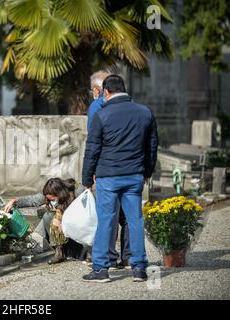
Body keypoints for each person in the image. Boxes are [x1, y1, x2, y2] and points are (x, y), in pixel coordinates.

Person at [82, 74, 158, 283]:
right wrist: (147, 172)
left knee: (106, 221)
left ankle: (101, 270)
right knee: (135, 221)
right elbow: (152, 146)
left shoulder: (102, 114)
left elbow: (92, 149)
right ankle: (139, 268)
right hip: (134, 175)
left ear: (106, 92)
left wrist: (87, 178)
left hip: (108, 176)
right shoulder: (145, 112)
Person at [87, 71, 132, 270]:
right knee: (129, 217)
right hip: (131, 168)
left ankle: (109, 259)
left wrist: (90, 175)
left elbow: (93, 143)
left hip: (107, 169)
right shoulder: (131, 106)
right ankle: (129, 257)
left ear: (99, 90)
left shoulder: (97, 107)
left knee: (109, 216)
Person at [4, 178, 88, 264]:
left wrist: (65, 218)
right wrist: (15, 201)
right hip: (61, 232)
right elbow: (32, 200)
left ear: (60, 193)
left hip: (78, 230)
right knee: (48, 216)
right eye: (50, 200)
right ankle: (59, 252)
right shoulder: (49, 194)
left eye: (53, 200)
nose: (52, 202)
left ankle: (84, 252)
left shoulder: (77, 192)